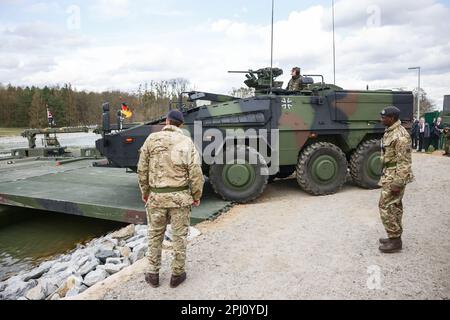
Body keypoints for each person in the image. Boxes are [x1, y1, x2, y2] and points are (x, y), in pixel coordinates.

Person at [137, 109, 204, 288]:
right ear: (180, 124)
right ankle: (177, 275)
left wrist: (145, 191)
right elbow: (196, 172)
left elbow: (142, 169)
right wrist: (196, 195)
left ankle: (153, 274)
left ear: (166, 121)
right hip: (180, 199)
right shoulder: (186, 141)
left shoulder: (151, 140)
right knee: (179, 237)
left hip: (156, 198)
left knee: (155, 235)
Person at [378, 106, 414, 253]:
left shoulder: (400, 135)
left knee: (386, 206)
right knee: (394, 206)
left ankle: (395, 240)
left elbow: (404, 161)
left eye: (384, 117)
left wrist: (398, 182)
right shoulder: (390, 131)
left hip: (395, 176)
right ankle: (394, 237)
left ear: (392, 118)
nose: (381, 119)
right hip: (389, 173)